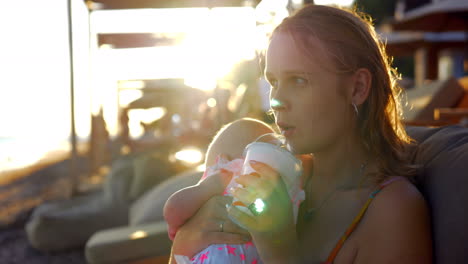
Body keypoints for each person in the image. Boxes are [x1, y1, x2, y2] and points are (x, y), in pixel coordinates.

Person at [169, 4, 433, 263]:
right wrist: (184, 243)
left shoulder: (392, 212)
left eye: (298, 80)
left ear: (358, 88)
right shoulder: (254, 155)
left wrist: (278, 244)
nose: (276, 101)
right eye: (273, 81)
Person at [164, 119, 305, 263]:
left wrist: (180, 237)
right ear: (226, 165)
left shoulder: (219, 181)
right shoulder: (222, 179)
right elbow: (173, 210)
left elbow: (174, 210)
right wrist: (183, 237)